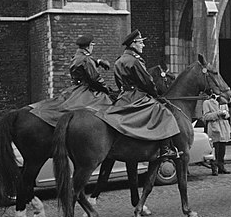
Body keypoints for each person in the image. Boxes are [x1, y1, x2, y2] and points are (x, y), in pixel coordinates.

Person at [103, 29, 180, 159]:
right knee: (164, 112)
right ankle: (165, 149)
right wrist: (155, 94)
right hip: (136, 96)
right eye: (140, 42)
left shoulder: (119, 61)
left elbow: (118, 82)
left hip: (123, 96)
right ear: (133, 44)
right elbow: (147, 81)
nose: (143, 45)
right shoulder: (135, 61)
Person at [28, 34, 114, 126]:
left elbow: (84, 62)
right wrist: (106, 89)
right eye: (92, 45)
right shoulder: (86, 59)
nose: (92, 48)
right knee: (106, 104)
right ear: (89, 46)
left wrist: (98, 61)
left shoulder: (76, 56)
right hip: (85, 89)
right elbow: (95, 78)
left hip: (75, 88)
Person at [202, 94, 231, 175]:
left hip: (223, 128)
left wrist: (226, 114)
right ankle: (214, 168)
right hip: (214, 128)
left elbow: (228, 114)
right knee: (215, 149)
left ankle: (221, 167)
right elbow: (206, 116)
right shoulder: (207, 102)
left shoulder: (223, 101)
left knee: (222, 148)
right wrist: (218, 113)